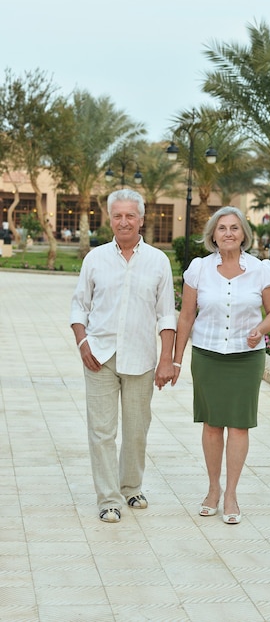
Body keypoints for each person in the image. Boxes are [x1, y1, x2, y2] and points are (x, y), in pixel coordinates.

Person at [70, 188, 176, 523]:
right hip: (99, 356)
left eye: (130, 215)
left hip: (142, 358)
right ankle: (108, 499)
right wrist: (83, 344)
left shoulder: (158, 261)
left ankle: (131, 487)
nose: (124, 221)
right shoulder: (95, 259)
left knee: (136, 429)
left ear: (142, 219)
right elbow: (79, 306)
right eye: (118, 215)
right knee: (101, 431)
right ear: (110, 220)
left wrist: (166, 359)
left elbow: (166, 314)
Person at [172, 206, 270, 524]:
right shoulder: (198, 269)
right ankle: (212, 489)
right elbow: (186, 315)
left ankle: (231, 494)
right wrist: (177, 359)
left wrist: (260, 330)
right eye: (222, 228)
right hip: (207, 355)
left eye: (235, 227)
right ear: (213, 235)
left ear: (244, 234)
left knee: (238, 424)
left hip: (246, 359)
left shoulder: (261, 270)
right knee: (212, 424)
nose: (229, 233)